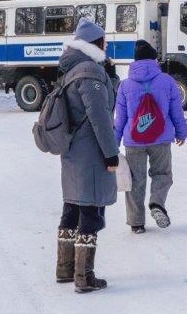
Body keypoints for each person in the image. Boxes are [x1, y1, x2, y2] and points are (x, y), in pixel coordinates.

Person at [54, 18, 119, 294]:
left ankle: (65, 268)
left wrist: (111, 77)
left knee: (72, 207)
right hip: (90, 154)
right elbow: (100, 117)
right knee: (90, 212)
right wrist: (111, 154)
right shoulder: (90, 72)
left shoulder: (71, 69)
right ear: (97, 43)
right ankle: (84, 276)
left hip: (71, 153)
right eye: (104, 42)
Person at [113, 40, 187, 234]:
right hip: (161, 138)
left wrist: (114, 143)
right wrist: (181, 132)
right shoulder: (167, 81)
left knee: (135, 180)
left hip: (134, 140)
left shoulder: (124, 85)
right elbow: (176, 111)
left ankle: (136, 222)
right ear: (154, 60)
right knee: (162, 174)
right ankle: (157, 203)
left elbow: (120, 118)